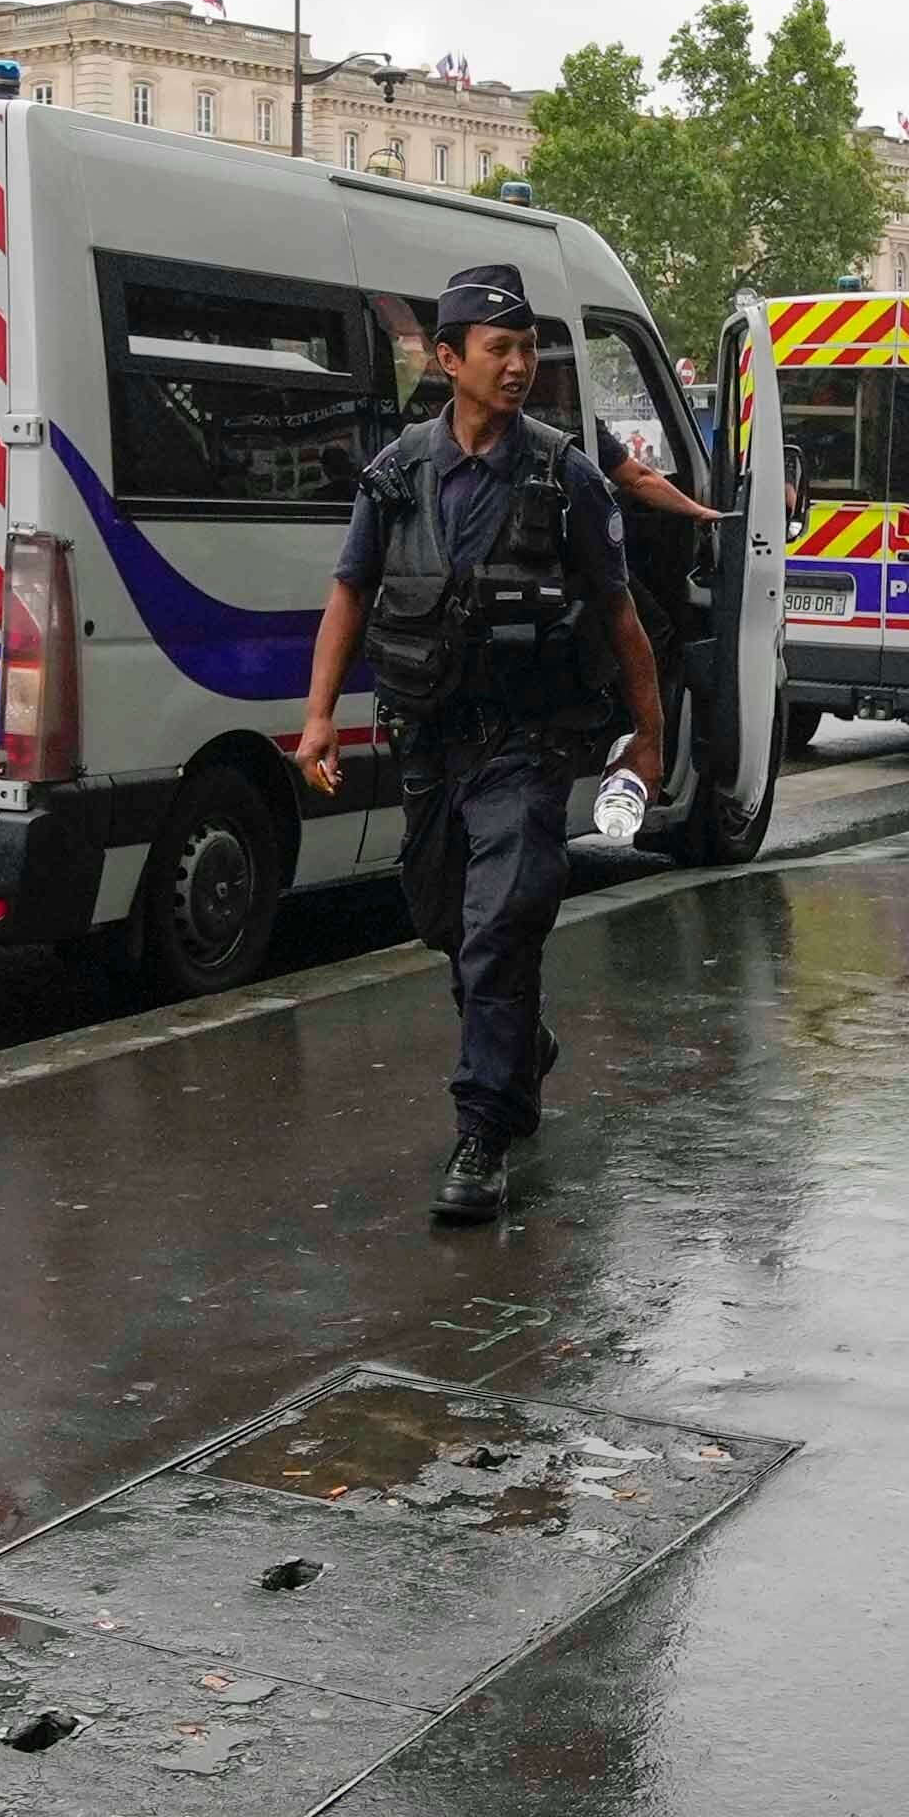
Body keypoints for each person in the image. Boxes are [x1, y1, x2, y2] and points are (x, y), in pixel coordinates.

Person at [289, 264, 658, 1230]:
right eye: (499, 349)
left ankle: (483, 1130)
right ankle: (517, 1044)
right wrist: (320, 715)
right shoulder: (397, 472)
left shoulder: (564, 473)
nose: (520, 365)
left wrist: (649, 739)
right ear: (447, 359)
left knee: (501, 926)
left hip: (528, 745)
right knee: (444, 916)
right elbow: (350, 594)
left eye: (529, 348)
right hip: (430, 743)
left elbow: (622, 618)